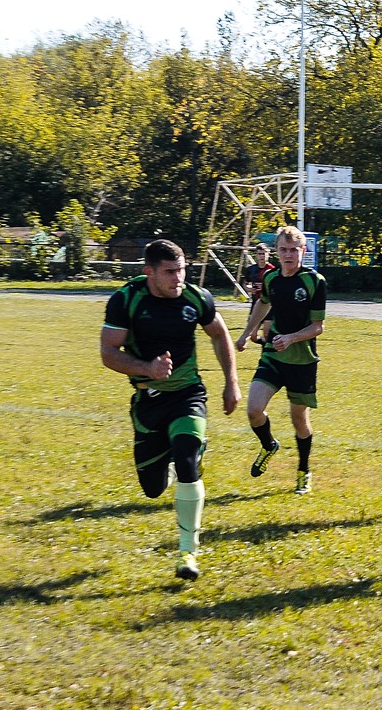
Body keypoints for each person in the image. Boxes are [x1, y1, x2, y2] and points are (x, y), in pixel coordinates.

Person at [100, 239, 241, 581]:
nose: (179, 278)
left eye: (182, 270)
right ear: (149, 272)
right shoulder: (126, 299)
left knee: (188, 457)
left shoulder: (196, 297)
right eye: (170, 272)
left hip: (188, 394)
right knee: (152, 488)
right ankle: (172, 461)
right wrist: (147, 369)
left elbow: (220, 335)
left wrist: (231, 382)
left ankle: (187, 553)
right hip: (148, 401)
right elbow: (108, 353)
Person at [236, 227, 327, 496]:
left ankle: (303, 470)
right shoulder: (272, 277)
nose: (288, 255)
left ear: (303, 251)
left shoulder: (314, 281)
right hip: (273, 354)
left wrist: (291, 338)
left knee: (298, 418)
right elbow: (263, 304)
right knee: (253, 409)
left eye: (293, 250)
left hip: (302, 360)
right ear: (276, 250)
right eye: (283, 250)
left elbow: (318, 327)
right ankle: (268, 445)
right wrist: (246, 333)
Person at [242, 243, 275, 344]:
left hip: (269, 305)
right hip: (256, 304)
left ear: (268, 254)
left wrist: (266, 288)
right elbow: (245, 284)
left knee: (267, 333)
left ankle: (266, 352)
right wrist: (249, 289)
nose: (262, 256)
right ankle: (265, 345)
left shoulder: (272, 270)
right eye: (260, 254)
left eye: (264, 253)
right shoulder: (251, 270)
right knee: (253, 336)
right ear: (256, 255)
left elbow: (277, 287)